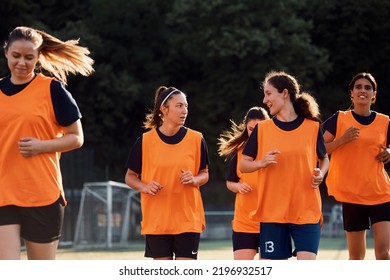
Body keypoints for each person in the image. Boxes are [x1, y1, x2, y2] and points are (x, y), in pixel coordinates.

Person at [0, 26, 94, 260]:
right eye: (16, 56)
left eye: (29, 57)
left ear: (38, 57)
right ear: (6, 53)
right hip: (3, 193)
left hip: (42, 193)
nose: (22, 62)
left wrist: (41, 146)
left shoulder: (52, 89)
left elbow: (77, 137)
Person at [239, 71, 329, 260]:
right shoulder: (262, 129)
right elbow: (243, 165)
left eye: (269, 93)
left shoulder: (312, 127)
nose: (265, 100)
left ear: (285, 93)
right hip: (272, 213)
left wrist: (321, 173)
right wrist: (261, 162)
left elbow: (324, 158)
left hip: (306, 211)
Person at [124, 86, 209, 260]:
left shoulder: (196, 139)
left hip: (188, 219)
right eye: (179, 106)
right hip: (157, 220)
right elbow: (130, 177)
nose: (184, 110)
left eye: (185, 106)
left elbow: (205, 173)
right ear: (164, 109)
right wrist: (145, 186)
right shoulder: (145, 141)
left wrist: (194, 179)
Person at [322, 72, 390, 260]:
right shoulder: (339, 119)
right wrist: (342, 140)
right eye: (358, 87)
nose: (363, 90)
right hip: (352, 196)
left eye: (368, 88)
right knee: (356, 257)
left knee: (384, 254)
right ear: (351, 93)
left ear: (373, 95)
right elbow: (318, 149)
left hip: (381, 193)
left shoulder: (385, 122)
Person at [218, 107, 269, 260]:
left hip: (270, 222)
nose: (254, 133)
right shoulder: (239, 151)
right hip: (244, 222)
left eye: (258, 129)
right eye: (250, 129)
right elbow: (230, 182)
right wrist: (238, 187)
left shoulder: (274, 151)